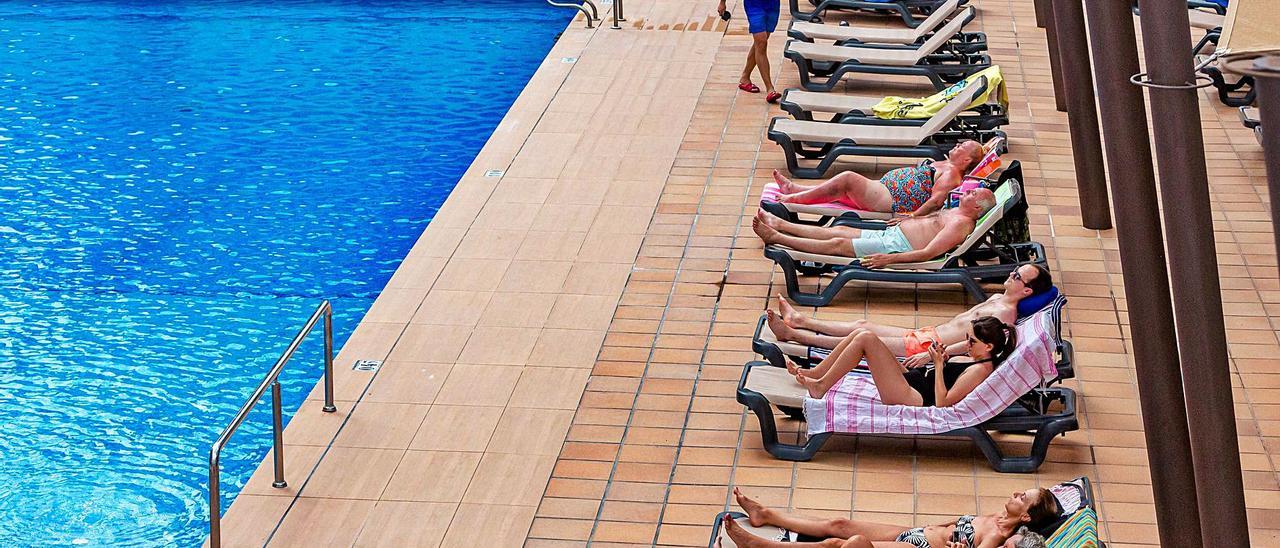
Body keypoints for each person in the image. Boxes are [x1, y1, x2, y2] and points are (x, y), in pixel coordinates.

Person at [766, 263, 1052, 366]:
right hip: (926, 335)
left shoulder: (1005, 315)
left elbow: (973, 344)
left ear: (1026, 292)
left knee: (860, 339)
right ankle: (800, 320)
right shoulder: (996, 298)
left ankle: (792, 334)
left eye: (1018, 276)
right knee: (862, 324)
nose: (1012, 274)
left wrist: (932, 355)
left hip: (927, 347)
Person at [722, 486, 1059, 548]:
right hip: (913, 532)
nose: (1016, 494)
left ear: (1027, 518)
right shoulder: (994, 515)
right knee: (840, 523)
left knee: (842, 544)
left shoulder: (998, 537)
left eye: (1023, 498)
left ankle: (759, 547)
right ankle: (766, 515)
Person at [751, 187, 997, 269]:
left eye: (974, 193)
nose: (969, 191)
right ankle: (781, 224)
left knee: (836, 245)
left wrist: (888, 259)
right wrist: (909, 219)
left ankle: (776, 236)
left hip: (895, 247)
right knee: (839, 231)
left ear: (977, 208)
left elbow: (928, 253)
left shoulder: (961, 224)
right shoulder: (957, 211)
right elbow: (932, 221)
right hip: (894, 234)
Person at [789, 315, 1016, 402]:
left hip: (914, 396)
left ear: (988, 347)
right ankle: (815, 373)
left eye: (971, 341)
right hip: (913, 379)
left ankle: (820, 387)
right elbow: (951, 349)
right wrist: (931, 356)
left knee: (866, 339)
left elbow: (943, 402)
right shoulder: (975, 354)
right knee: (860, 334)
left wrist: (938, 366)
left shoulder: (979, 370)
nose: (966, 344)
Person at [771, 140, 985, 218]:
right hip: (884, 189)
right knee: (838, 190)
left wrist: (911, 217)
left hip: (889, 199)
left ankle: (794, 200)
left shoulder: (951, 175)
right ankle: (795, 188)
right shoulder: (947, 166)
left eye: (961, 147)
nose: (956, 146)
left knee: (846, 179)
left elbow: (936, 201)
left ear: (967, 159)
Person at [718, 0, 781, 103]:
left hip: (773, 4)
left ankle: (745, 77)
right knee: (761, 42)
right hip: (754, 5)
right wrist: (722, 3)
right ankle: (770, 89)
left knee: (760, 43)